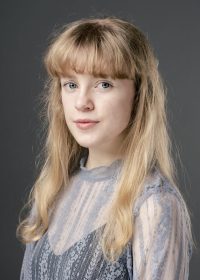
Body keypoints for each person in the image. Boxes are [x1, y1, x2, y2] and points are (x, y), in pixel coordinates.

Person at [17, 16, 194, 279]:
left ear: (139, 95)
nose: (82, 102)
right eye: (71, 85)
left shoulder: (154, 205)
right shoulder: (51, 193)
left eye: (104, 84)